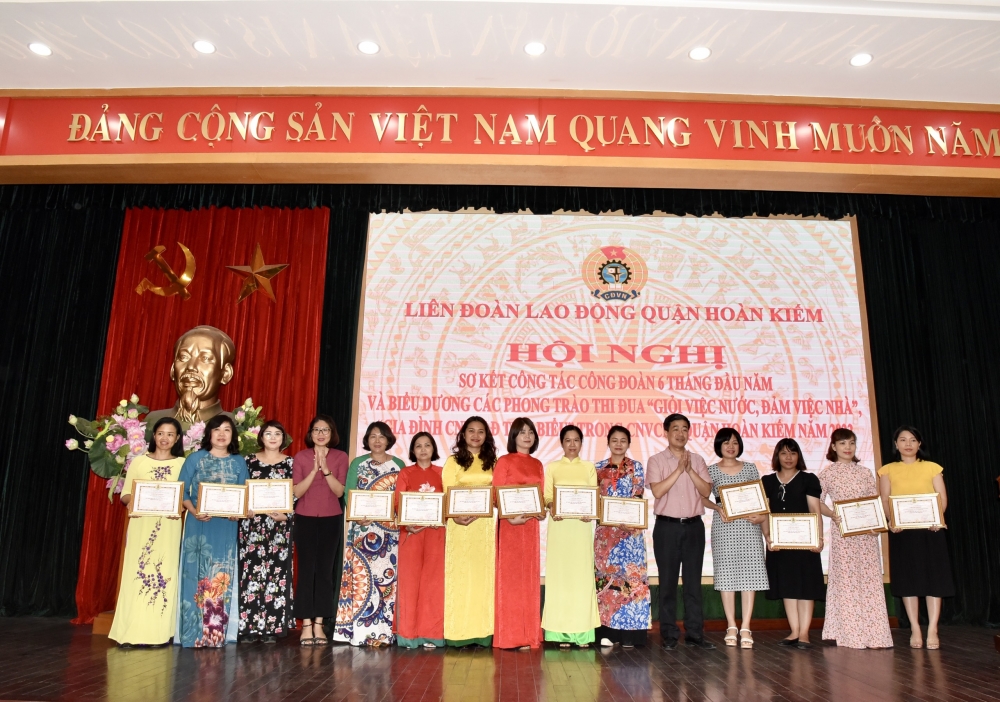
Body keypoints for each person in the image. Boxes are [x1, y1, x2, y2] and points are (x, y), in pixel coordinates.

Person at [109, 417, 186, 647]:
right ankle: (129, 634)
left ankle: (158, 635)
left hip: (168, 527)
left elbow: (186, 497)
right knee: (136, 574)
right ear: (154, 436)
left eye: (170, 434)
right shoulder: (139, 462)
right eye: (160, 433)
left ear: (177, 438)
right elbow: (125, 495)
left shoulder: (183, 464)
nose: (164, 438)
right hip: (141, 525)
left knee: (164, 575)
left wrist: (179, 507)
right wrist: (138, 499)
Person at [878, 426, 954, 650]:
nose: (908, 444)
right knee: (908, 581)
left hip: (931, 531)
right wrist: (892, 520)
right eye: (903, 440)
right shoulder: (887, 470)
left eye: (912, 440)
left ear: (919, 444)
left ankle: (933, 629)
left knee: (934, 580)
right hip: (903, 533)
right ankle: (915, 628)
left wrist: (937, 518)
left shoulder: (932, 467)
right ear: (896, 444)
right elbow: (885, 500)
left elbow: (942, 498)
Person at [176, 415, 249, 648]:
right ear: (209, 434)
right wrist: (194, 510)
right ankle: (192, 635)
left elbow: (245, 494)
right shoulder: (195, 458)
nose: (221, 434)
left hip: (225, 526)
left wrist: (238, 512)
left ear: (233, 435)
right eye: (217, 429)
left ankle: (214, 635)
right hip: (198, 524)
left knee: (220, 576)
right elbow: (182, 490)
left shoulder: (239, 462)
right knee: (194, 576)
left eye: (227, 429)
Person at [818, 427, 893, 649]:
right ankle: (850, 634)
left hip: (867, 534)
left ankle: (876, 635)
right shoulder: (827, 473)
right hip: (844, 534)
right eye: (842, 443)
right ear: (833, 447)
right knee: (847, 581)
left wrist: (877, 525)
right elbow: (817, 502)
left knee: (870, 581)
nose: (847, 447)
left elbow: (874, 502)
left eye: (851, 443)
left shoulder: (865, 472)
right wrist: (833, 514)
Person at [646, 414, 715, 650]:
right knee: (667, 583)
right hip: (667, 527)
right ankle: (669, 634)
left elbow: (705, 492)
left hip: (694, 527)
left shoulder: (698, 460)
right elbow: (657, 492)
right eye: (675, 429)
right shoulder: (656, 460)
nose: (680, 433)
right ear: (666, 432)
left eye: (684, 429)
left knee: (693, 583)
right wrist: (678, 470)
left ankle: (695, 634)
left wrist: (690, 470)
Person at [334, 421, 405, 646]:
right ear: (367, 439)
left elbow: (402, 497)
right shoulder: (358, 463)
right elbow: (349, 493)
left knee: (386, 583)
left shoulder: (398, 464)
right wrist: (356, 515)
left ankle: (385, 632)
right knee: (361, 581)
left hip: (389, 533)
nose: (377, 440)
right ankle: (360, 633)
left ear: (388, 439)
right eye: (373, 436)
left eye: (381, 436)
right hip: (363, 530)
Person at [703, 428, 768, 649]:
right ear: (718, 446)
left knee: (750, 574)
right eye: (726, 443)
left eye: (734, 442)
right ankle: (731, 625)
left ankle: (746, 626)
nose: (731, 447)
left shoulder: (750, 468)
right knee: (726, 576)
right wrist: (717, 508)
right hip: (724, 526)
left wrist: (761, 517)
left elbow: (760, 497)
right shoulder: (711, 470)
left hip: (749, 526)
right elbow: (702, 498)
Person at [760, 438, 825, 649]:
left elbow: (815, 510)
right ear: (777, 456)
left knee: (805, 587)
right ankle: (794, 631)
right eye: (784, 453)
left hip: (805, 543)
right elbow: (765, 512)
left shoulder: (808, 479)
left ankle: (804, 633)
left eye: (793, 453)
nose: (788, 458)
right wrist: (768, 536)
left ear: (799, 456)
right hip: (780, 544)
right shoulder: (768, 481)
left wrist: (818, 538)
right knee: (787, 587)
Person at [541, 425, 601, 648]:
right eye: (568, 440)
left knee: (581, 577)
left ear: (582, 443)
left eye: (576, 440)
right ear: (561, 443)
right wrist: (551, 506)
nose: (572, 444)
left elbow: (593, 495)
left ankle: (582, 634)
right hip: (560, 527)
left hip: (581, 528)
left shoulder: (588, 467)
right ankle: (559, 634)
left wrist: (590, 512)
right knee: (560, 577)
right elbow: (548, 495)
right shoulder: (553, 467)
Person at [292, 414, 348, 646]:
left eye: (325, 430)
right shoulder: (301, 457)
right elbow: (297, 492)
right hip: (304, 518)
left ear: (332, 433)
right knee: (306, 571)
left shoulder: (341, 457)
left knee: (325, 572)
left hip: (331, 519)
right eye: (316, 429)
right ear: (311, 433)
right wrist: (314, 470)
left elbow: (339, 491)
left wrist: (325, 469)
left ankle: (319, 623)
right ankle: (306, 624)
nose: (321, 434)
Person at [442, 416, 497, 647]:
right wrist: (455, 516)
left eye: (481, 431)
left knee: (483, 577)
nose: (476, 435)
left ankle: (482, 633)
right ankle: (458, 634)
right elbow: (447, 493)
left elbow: (497, 493)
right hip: (460, 525)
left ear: (486, 436)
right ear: (463, 434)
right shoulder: (453, 461)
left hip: (484, 527)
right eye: (471, 431)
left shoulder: (493, 461)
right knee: (460, 576)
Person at [237, 420, 294, 644]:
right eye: (268, 433)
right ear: (261, 437)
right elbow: (241, 489)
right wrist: (244, 509)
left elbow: (297, 494)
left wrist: (287, 516)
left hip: (279, 528)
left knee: (276, 577)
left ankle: (272, 627)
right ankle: (249, 628)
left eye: (277, 433)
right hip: (252, 527)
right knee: (251, 575)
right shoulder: (248, 461)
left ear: (283, 439)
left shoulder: (291, 463)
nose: (272, 437)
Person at [594, 425, 651, 648]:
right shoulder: (597, 468)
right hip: (606, 536)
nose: (618, 444)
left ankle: (632, 635)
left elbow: (638, 496)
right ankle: (608, 632)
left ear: (628, 443)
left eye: (623, 440)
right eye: (614, 440)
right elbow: (594, 500)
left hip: (630, 535)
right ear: (608, 442)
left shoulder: (636, 468)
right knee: (608, 582)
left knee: (632, 582)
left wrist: (629, 518)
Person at [493, 417, 545, 650]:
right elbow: (496, 494)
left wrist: (541, 512)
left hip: (531, 527)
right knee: (511, 581)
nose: (527, 436)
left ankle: (529, 635)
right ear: (514, 436)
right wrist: (509, 517)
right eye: (522, 432)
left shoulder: (538, 464)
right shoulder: (504, 461)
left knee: (528, 580)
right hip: (510, 526)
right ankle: (510, 636)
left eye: (530, 432)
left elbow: (539, 496)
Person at [394, 432, 446, 649]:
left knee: (433, 585)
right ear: (412, 450)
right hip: (411, 533)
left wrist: (442, 516)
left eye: (427, 445)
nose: (423, 449)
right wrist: (406, 525)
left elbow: (448, 502)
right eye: (418, 446)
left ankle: (431, 634)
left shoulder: (443, 473)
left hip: (436, 534)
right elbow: (398, 503)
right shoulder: (406, 473)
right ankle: (408, 635)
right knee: (410, 583)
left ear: (434, 449)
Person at [144, 325, 235, 438]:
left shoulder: (236, 426)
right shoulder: (153, 421)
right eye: (183, 357)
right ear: (173, 370)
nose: (191, 366)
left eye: (205, 358)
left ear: (226, 373)